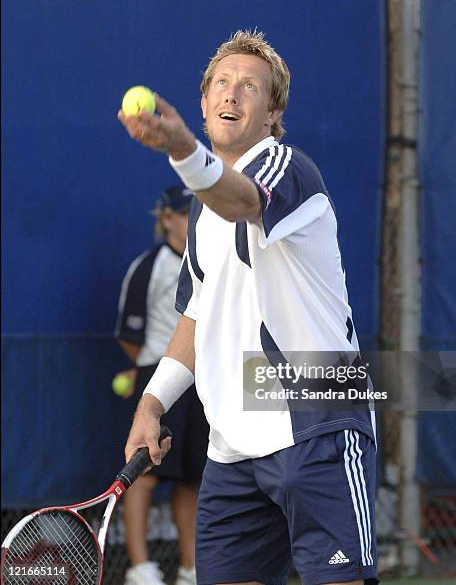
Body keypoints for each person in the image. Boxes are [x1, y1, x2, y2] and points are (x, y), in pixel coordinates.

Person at [118, 30, 379, 585]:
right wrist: (151, 404)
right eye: (221, 83)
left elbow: (242, 201)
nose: (231, 94)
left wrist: (182, 148)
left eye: (249, 87)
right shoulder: (200, 214)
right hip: (233, 447)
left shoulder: (287, 167)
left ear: (272, 112)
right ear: (204, 102)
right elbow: (195, 316)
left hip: (318, 423)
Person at [114, 186, 208, 585]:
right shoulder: (148, 267)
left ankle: (190, 567)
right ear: (167, 218)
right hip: (158, 380)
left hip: (205, 381)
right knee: (145, 474)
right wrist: (154, 369)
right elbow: (128, 335)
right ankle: (141, 568)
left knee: (193, 478)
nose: (192, 221)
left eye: (197, 213)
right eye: (185, 213)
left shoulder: (214, 262)